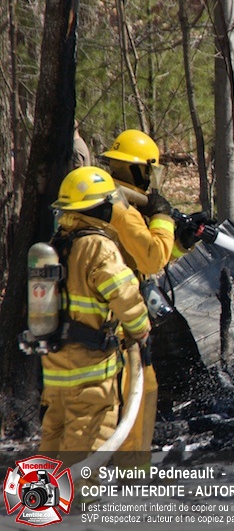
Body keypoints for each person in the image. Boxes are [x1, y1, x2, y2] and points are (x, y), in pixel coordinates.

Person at [98, 129, 201, 473]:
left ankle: (133, 475)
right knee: (126, 401)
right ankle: (120, 476)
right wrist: (163, 217)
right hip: (114, 328)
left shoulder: (119, 203)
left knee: (146, 391)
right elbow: (151, 258)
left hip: (127, 325)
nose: (152, 179)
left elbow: (147, 257)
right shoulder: (116, 206)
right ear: (138, 169)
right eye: (150, 170)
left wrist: (182, 243)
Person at [39, 167, 151, 467]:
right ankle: (76, 497)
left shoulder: (57, 244)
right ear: (100, 208)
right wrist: (141, 329)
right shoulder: (98, 246)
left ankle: (38, 496)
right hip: (90, 373)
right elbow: (125, 296)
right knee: (86, 450)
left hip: (55, 369)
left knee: (53, 439)